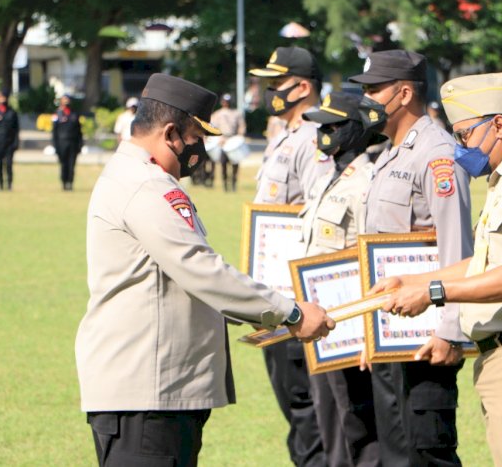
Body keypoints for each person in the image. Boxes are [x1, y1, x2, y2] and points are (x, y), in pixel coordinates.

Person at [75, 73, 335, 467]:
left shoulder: (134, 175)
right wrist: (290, 312)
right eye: (196, 137)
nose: (200, 150)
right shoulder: (147, 186)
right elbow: (201, 269)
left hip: (150, 388)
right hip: (148, 393)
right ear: (170, 134)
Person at [372, 71, 502, 467]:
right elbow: (484, 264)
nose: (460, 147)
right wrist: (415, 280)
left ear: (499, 125)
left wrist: (433, 293)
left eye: (465, 135)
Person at [349, 49, 473, 467]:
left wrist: (451, 329)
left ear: (403, 94)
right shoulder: (389, 153)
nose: (365, 100)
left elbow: (457, 247)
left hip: (426, 336)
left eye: (373, 90)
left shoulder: (437, 154)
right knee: (396, 454)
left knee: (427, 453)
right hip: (390, 333)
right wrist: (370, 328)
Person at [249, 46, 333, 466]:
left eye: (276, 85)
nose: (269, 93)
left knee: (308, 417)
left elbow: (322, 217)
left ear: (302, 87)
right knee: (293, 408)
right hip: (274, 291)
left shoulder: (315, 139)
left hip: (299, 295)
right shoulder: (282, 135)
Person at [301, 92, 382, 467]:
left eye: (333, 126)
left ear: (356, 130)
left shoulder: (366, 182)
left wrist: (369, 329)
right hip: (319, 322)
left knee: (358, 425)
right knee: (329, 420)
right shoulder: (325, 179)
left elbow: (371, 258)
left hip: (349, 324)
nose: (324, 133)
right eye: (321, 126)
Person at [210, 93, 246, 191]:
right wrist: (218, 137)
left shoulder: (236, 113)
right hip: (222, 141)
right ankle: (225, 185)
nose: (226, 104)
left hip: (233, 140)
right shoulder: (217, 114)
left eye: (228, 102)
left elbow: (241, 126)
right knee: (223, 164)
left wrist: (240, 137)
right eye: (225, 102)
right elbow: (212, 127)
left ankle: (234, 184)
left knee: (235, 164)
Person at [52, 94, 83, 191]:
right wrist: (55, 146)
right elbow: (54, 132)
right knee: (63, 164)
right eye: (64, 100)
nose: (66, 102)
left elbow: (79, 131)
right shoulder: (57, 114)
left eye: (67, 100)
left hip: (73, 143)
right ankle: (64, 182)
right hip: (62, 143)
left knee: (71, 164)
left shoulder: (74, 114)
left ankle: (70, 182)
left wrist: (80, 145)